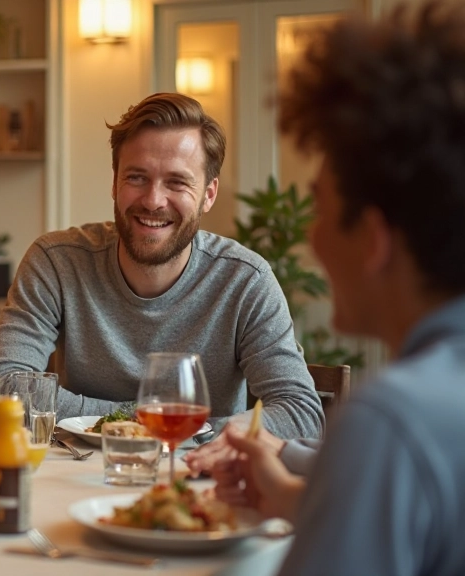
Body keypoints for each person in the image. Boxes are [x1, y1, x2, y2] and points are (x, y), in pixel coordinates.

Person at [209, 2, 465, 574]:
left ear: (373, 238)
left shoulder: (391, 421)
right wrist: (288, 486)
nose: (311, 236)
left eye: (321, 209)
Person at [0, 92, 323, 441]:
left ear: (209, 193)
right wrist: (158, 422)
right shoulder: (56, 261)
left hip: (194, 481)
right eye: (137, 178)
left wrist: (191, 431)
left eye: (177, 182)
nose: (154, 200)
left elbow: (300, 413)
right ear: (115, 182)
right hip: (73, 477)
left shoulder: (245, 280)